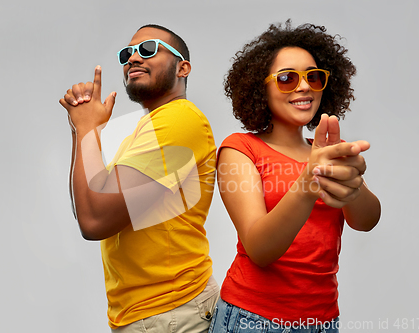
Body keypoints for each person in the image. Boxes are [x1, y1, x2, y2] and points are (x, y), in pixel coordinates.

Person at [209, 21, 381, 333]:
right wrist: (309, 181)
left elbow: (366, 221)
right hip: (254, 320)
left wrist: (353, 185)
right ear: (260, 87)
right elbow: (260, 250)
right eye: (287, 79)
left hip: (323, 321)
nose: (304, 87)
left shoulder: (328, 151)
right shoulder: (239, 149)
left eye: (313, 77)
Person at [59, 24, 219, 332]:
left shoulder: (179, 119)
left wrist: (86, 130)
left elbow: (94, 221)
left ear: (182, 67)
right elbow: (88, 208)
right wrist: (82, 130)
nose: (133, 58)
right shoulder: (143, 131)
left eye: (148, 49)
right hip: (149, 315)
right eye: (127, 53)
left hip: (172, 312)